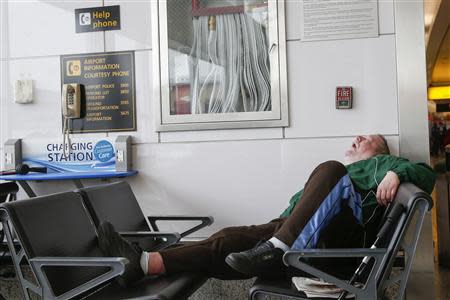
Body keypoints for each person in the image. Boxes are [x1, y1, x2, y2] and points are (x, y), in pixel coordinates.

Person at [97, 135, 436, 287]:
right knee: (227, 239)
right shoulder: (345, 176)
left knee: (331, 168)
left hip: (336, 246)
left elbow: (428, 173)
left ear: (382, 151)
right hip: (294, 230)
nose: (358, 138)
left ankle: (278, 250)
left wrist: (396, 172)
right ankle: (144, 264)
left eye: (369, 138)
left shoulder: (383, 165)